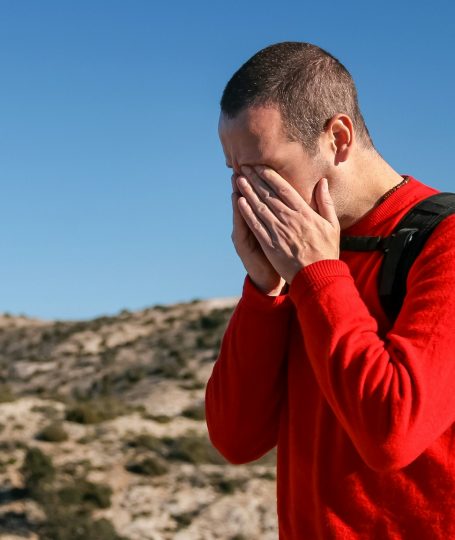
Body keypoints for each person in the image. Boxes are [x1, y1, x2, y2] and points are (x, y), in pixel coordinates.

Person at [204, 41, 455, 539]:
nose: (246, 194)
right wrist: (264, 291)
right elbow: (235, 438)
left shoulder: (442, 243)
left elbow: (391, 432)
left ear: (338, 138)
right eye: (234, 173)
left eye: (263, 170)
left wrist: (317, 275)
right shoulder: (301, 262)